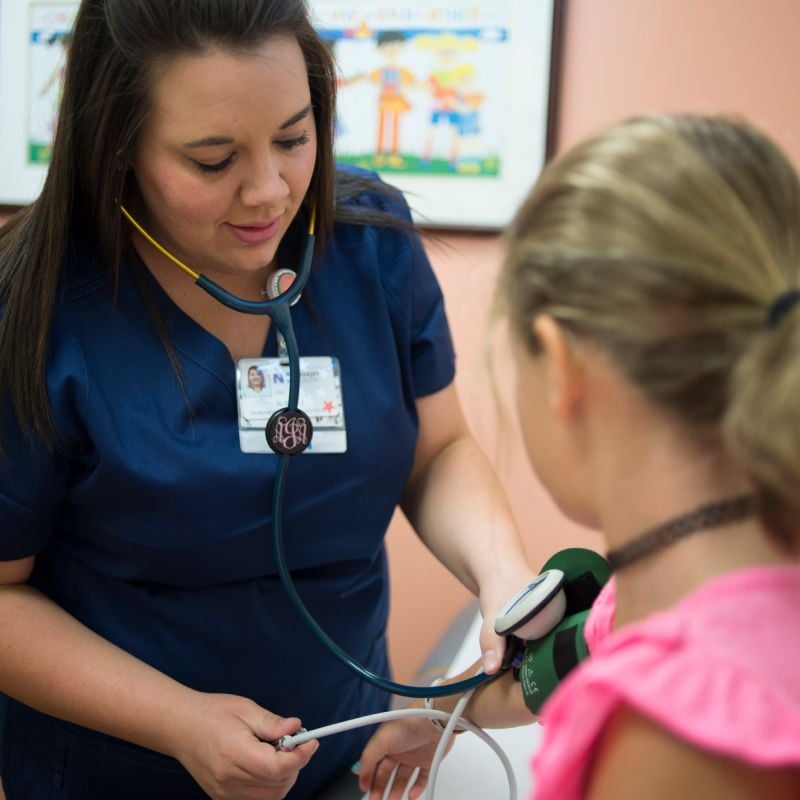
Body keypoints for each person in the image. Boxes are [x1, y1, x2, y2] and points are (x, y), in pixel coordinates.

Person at [0, 1, 536, 798]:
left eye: (293, 138)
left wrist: (505, 581)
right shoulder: (42, 309)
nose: (269, 192)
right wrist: (178, 720)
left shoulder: (368, 245)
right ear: (119, 147)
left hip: (341, 753)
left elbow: (439, 451)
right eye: (213, 160)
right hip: (120, 770)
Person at [356, 114, 800, 800]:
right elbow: (582, 653)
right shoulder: (678, 583)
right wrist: (439, 712)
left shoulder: (674, 738)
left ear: (561, 368)